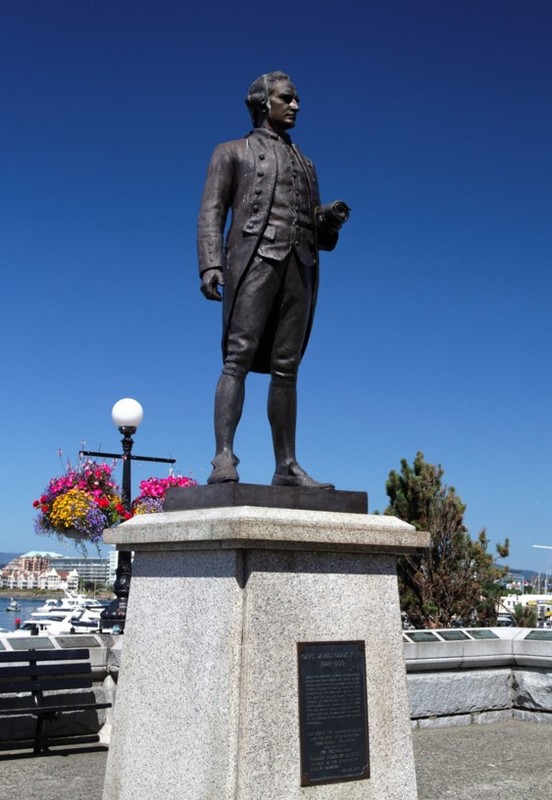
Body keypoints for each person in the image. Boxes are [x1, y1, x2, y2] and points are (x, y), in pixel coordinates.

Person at [198, 71, 349, 487]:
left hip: (300, 263)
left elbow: (322, 238)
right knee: (237, 358)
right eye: (288, 98)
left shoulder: (307, 163)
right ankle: (223, 458)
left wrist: (328, 222)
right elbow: (212, 211)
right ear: (264, 102)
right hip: (253, 261)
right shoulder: (231, 152)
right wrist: (211, 264)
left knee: (287, 368)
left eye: (297, 98)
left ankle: (286, 466)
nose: (296, 105)